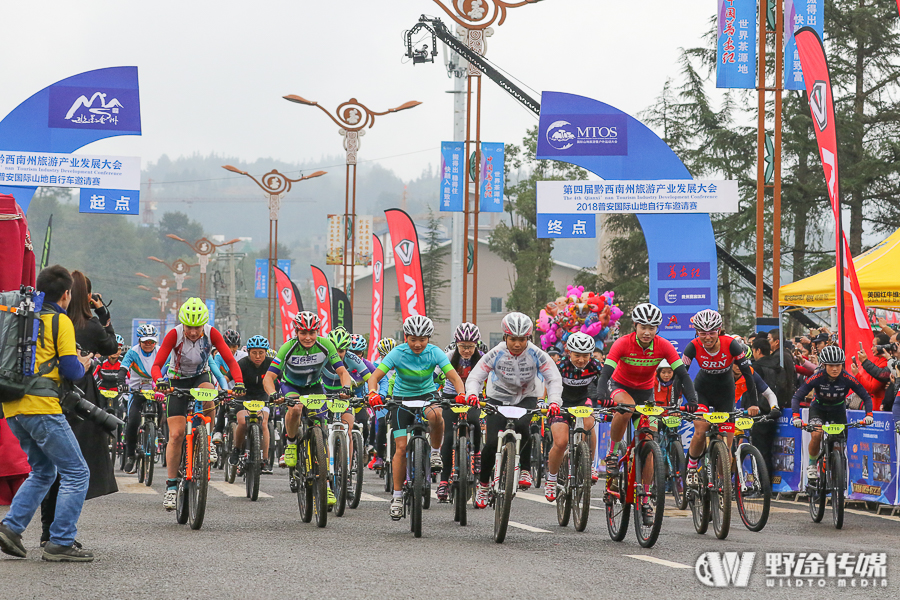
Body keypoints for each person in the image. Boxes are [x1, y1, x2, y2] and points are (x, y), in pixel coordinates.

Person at [0, 265, 93, 562]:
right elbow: (70, 369)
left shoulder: (21, 315)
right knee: (77, 473)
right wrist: (84, 364)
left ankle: (11, 529)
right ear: (66, 294)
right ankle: (60, 541)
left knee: (43, 470)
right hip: (41, 407)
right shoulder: (59, 321)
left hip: (13, 406)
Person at [595, 303, 697, 526]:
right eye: (643, 327)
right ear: (635, 326)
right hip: (620, 386)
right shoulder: (623, 343)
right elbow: (606, 373)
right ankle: (613, 453)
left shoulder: (663, 346)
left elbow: (683, 374)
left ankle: (646, 497)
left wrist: (693, 401)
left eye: (652, 327)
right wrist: (601, 395)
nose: (647, 332)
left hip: (646, 393)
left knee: (650, 444)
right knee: (627, 408)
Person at [40, 270, 118, 549]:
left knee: (52, 468)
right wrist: (104, 315)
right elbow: (111, 347)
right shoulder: (90, 325)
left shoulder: (50, 320)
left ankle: (47, 530)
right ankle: (62, 534)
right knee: (77, 468)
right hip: (81, 398)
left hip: (50, 395)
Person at [366, 315, 466, 520]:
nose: (418, 344)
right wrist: (373, 393)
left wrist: (461, 394)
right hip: (402, 400)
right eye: (412, 339)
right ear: (406, 337)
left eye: (422, 339)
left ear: (429, 338)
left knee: (437, 414)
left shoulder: (435, 352)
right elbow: (375, 376)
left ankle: (435, 452)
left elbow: (454, 377)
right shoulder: (397, 352)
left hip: (427, 396)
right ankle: (397, 496)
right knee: (401, 448)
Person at [152, 298, 245, 510]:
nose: (193, 332)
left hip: (200, 377)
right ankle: (172, 486)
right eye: (189, 327)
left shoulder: (212, 333)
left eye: (197, 327)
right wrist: (160, 381)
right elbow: (157, 365)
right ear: (182, 324)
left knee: (210, 391)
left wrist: (238, 382)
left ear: (204, 324)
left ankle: (208, 439)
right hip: (176, 380)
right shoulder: (174, 335)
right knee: (175, 435)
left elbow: (230, 360)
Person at [463, 312, 561, 509]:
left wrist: (554, 401)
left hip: (526, 397)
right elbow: (475, 377)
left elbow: (553, 378)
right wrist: (472, 394)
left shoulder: (536, 353)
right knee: (490, 443)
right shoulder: (496, 352)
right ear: (505, 337)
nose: (517, 344)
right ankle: (483, 484)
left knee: (523, 426)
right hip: (498, 398)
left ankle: (525, 469)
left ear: (529, 338)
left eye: (522, 340)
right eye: (513, 339)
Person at [263, 311, 353, 480]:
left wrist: (346, 387)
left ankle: (325, 484)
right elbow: (269, 378)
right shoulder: (287, 348)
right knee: (296, 408)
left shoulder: (326, 345)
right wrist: (273, 394)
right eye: (303, 333)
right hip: (291, 386)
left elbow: (342, 372)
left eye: (312, 333)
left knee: (321, 429)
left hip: (314, 387)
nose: (308, 338)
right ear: (296, 332)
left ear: (317, 332)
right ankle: (290, 443)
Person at [681, 309, 756, 486]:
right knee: (700, 430)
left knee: (727, 445)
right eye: (703, 333)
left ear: (719, 330)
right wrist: (680, 402)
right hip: (702, 391)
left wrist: (754, 403)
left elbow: (747, 373)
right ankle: (692, 467)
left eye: (712, 332)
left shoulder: (731, 344)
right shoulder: (693, 345)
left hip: (725, 393)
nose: (707, 337)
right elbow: (681, 375)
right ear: (697, 332)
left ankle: (723, 485)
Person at [791, 345, 873, 481]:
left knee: (839, 443)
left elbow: (866, 396)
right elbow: (797, 397)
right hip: (819, 409)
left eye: (838, 365)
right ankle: (812, 464)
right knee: (817, 434)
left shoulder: (847, 378)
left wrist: (869, 414)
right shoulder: (817, 377)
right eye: (830, 365)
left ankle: (836, 466)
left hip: (837, 410)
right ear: (824, 365)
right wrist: (796, 417)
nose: (835, 369)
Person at [544, 331, 602, 502]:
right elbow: (548, 383)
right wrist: (542, 400)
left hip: (582, 402)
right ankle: (552, 479)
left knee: (589, 424)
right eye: (577, 355)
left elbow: (606, 382)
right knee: (561, 442)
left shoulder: (595, 365)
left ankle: (590, 465)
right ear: (569, 351)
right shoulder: (560, 365)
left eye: (585, 356)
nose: (581, 360)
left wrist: (609, 400)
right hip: (560, 403)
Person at [436, 322, 485, 502]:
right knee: (448, 438)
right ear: (456, 344)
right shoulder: (448, 356)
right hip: (451, 396)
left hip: (473, 396)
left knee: (475, 422)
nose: (466, 350)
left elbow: (494, 377)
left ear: (476, 345)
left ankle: (477, 453)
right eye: (463, 346)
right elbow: (434, 374)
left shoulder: (482, 358)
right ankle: (443, 482)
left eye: (470, 347)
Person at [118, 324, 161, 474]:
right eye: (145, 342)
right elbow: (123, 369)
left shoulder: (161, 351)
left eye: (151, 341)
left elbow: (169, 367)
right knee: (133, 422)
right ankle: (130, 455)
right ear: (139, 341)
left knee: (164, 411)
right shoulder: (132, 352)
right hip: (137, 391)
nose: (148, 345)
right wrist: (121, 383)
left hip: (156, 391)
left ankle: (159, 432)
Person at [231, 335, 274, 473]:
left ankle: (265, 460)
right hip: (243, 397)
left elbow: (283, 379)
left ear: (266, 352)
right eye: (254, 352)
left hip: (262, 397)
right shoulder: (242, 363)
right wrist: (223, 391)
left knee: (264, 423)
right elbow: (226, 377)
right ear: (248, 352)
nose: (258, 356)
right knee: (243, 422)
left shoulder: (270, 363)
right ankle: (237, 449)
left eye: (261, 353)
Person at [367, 337, 398, 471]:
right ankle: (379, 456)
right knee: (381, 422)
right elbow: (371, 381)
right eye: (385, 356)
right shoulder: (376, 365)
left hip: (397, 397)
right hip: (382, 398)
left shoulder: (400, 363)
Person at [854, 334, 892, 410]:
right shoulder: (876, 360)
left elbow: (872, 388)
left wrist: (856, 374)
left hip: (879, 408)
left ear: (883, 347)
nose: (872, 348)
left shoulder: (885, 364)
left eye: (874, 346)